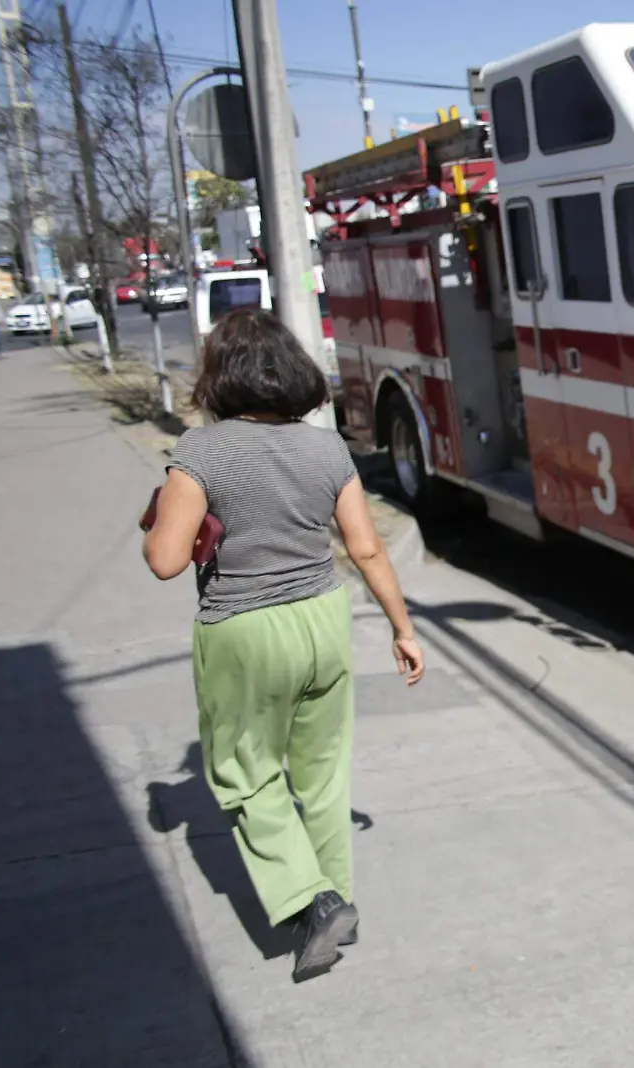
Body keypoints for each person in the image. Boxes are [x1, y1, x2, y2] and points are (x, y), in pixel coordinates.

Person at [141, 309, 427, 983]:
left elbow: (164, 560)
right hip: (325, 619)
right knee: (322, 773)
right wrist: (402, 629)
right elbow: (366, 546)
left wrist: (160, 513)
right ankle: (338, 899)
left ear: (222, 373)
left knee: (245, 775)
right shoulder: (326, 449)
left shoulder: (202, 452)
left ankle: (311, 899)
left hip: (245, 627)